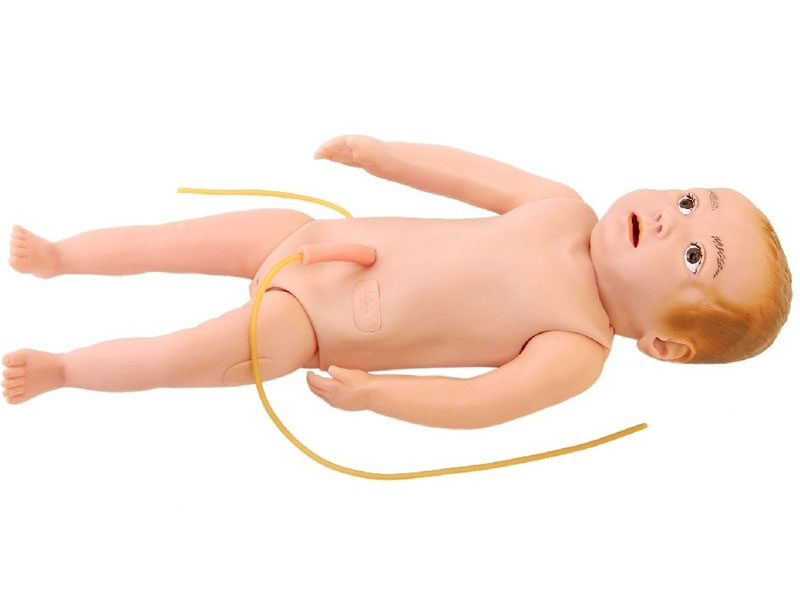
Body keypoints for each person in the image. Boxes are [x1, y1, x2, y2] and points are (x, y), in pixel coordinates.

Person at [2, 135, 792, 430]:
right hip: (315, 240)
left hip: (314, 328)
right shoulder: (563, 207)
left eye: (696, 256)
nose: (672, 220)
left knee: (181, 355)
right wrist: (385, 157)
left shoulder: (577, 348)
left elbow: (479, 404)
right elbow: (467, 173)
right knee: (177, 239)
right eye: (690, 200)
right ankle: (62, 256)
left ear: (664, 343)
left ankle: (63, 370)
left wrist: (380, 396)